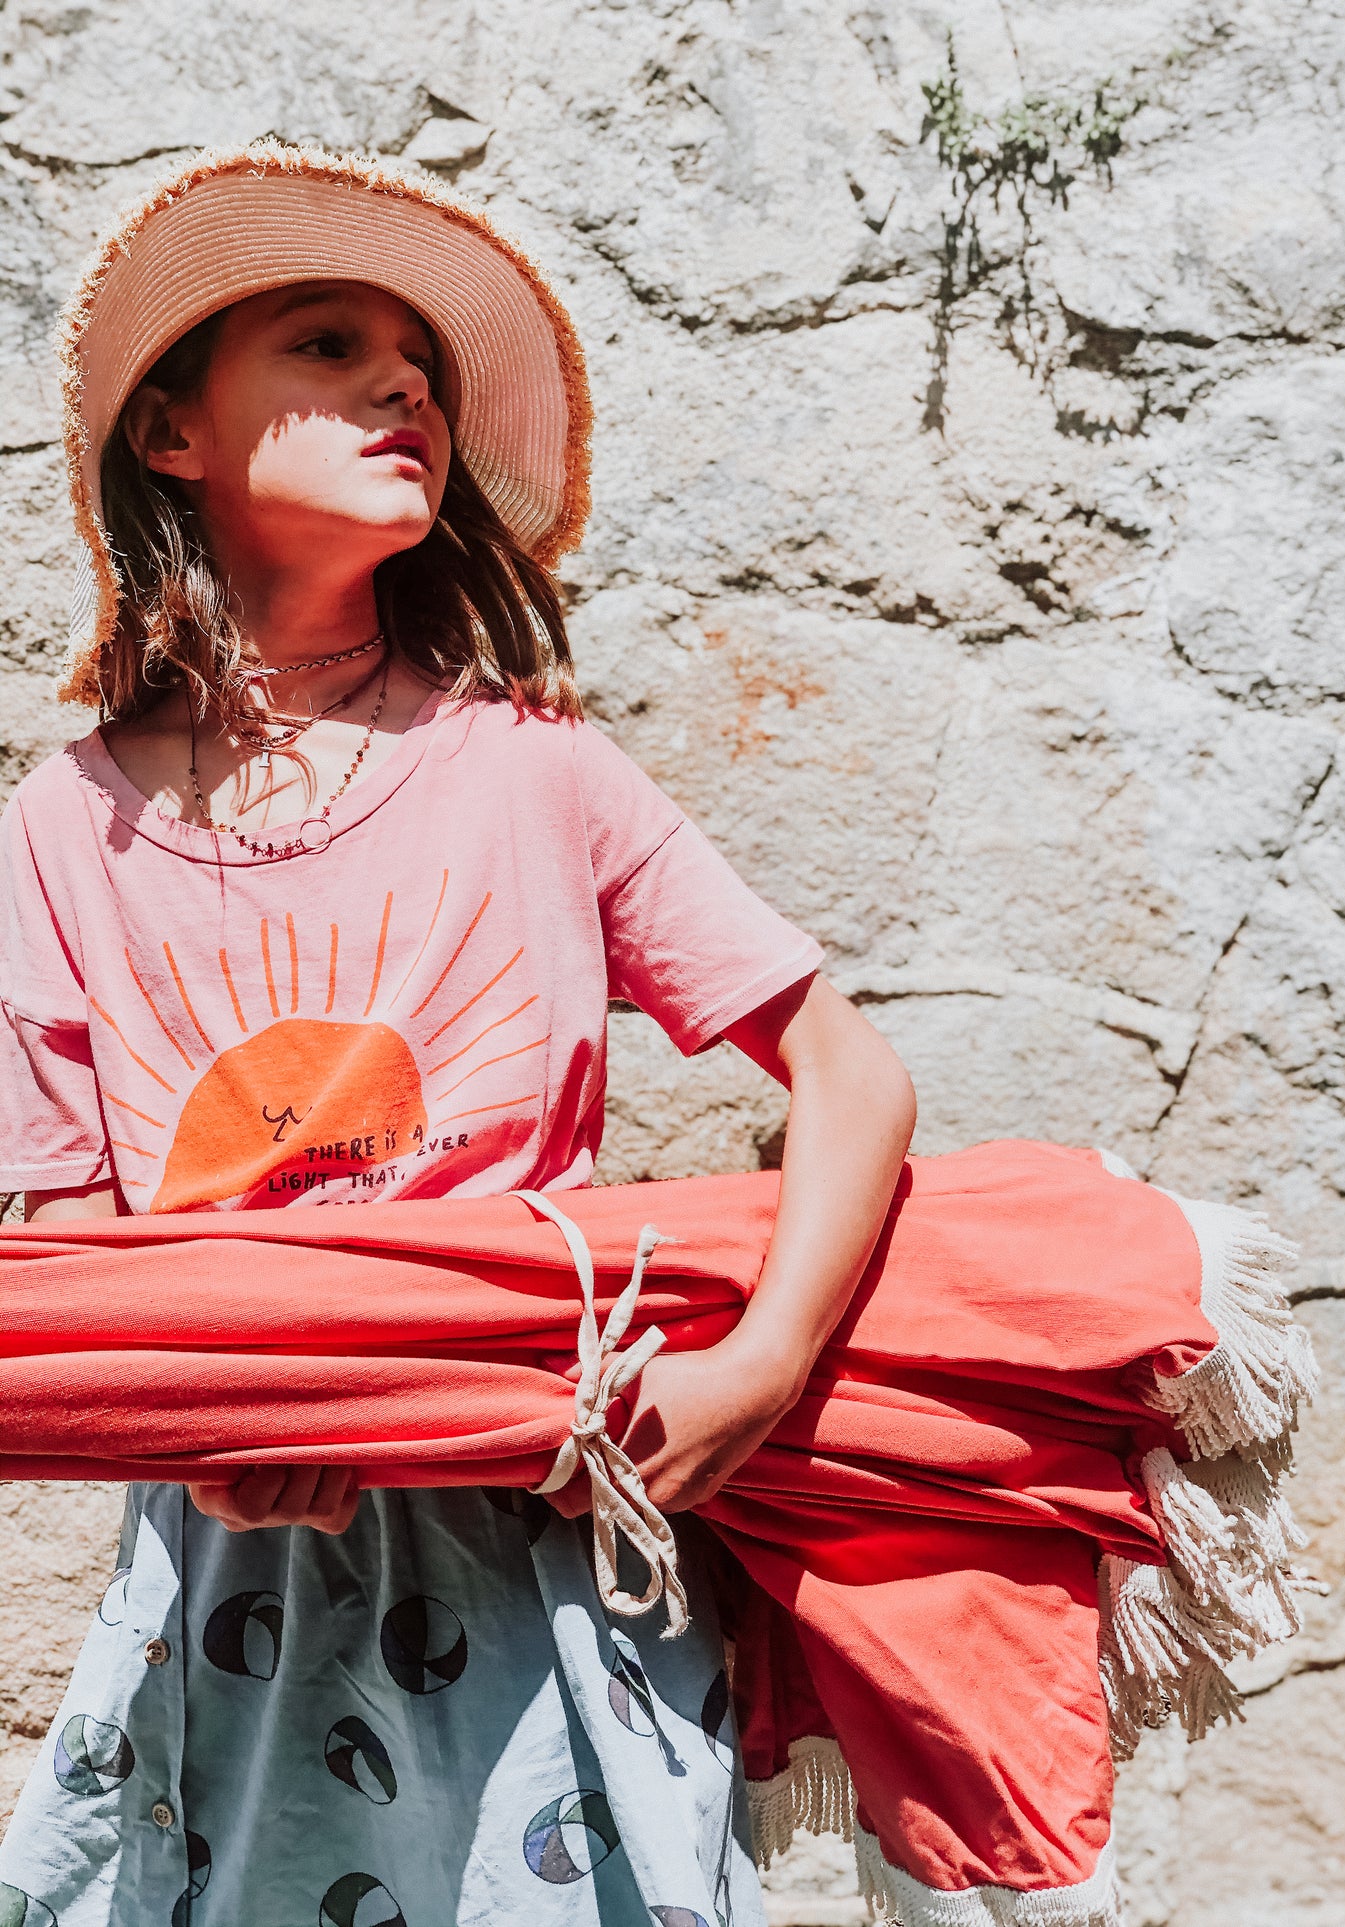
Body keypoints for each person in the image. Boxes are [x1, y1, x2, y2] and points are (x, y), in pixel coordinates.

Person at [0, 145, 916, 1927]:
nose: (400, 383)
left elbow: (851, 1072)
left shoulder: (533, 769)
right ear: (176, 436)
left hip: (536, 1550)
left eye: (413, 359)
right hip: (227, 1581)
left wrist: (763, 1367)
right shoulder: (61, 827)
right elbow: (51, 1241)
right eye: (326, 345)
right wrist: (195, 1426)